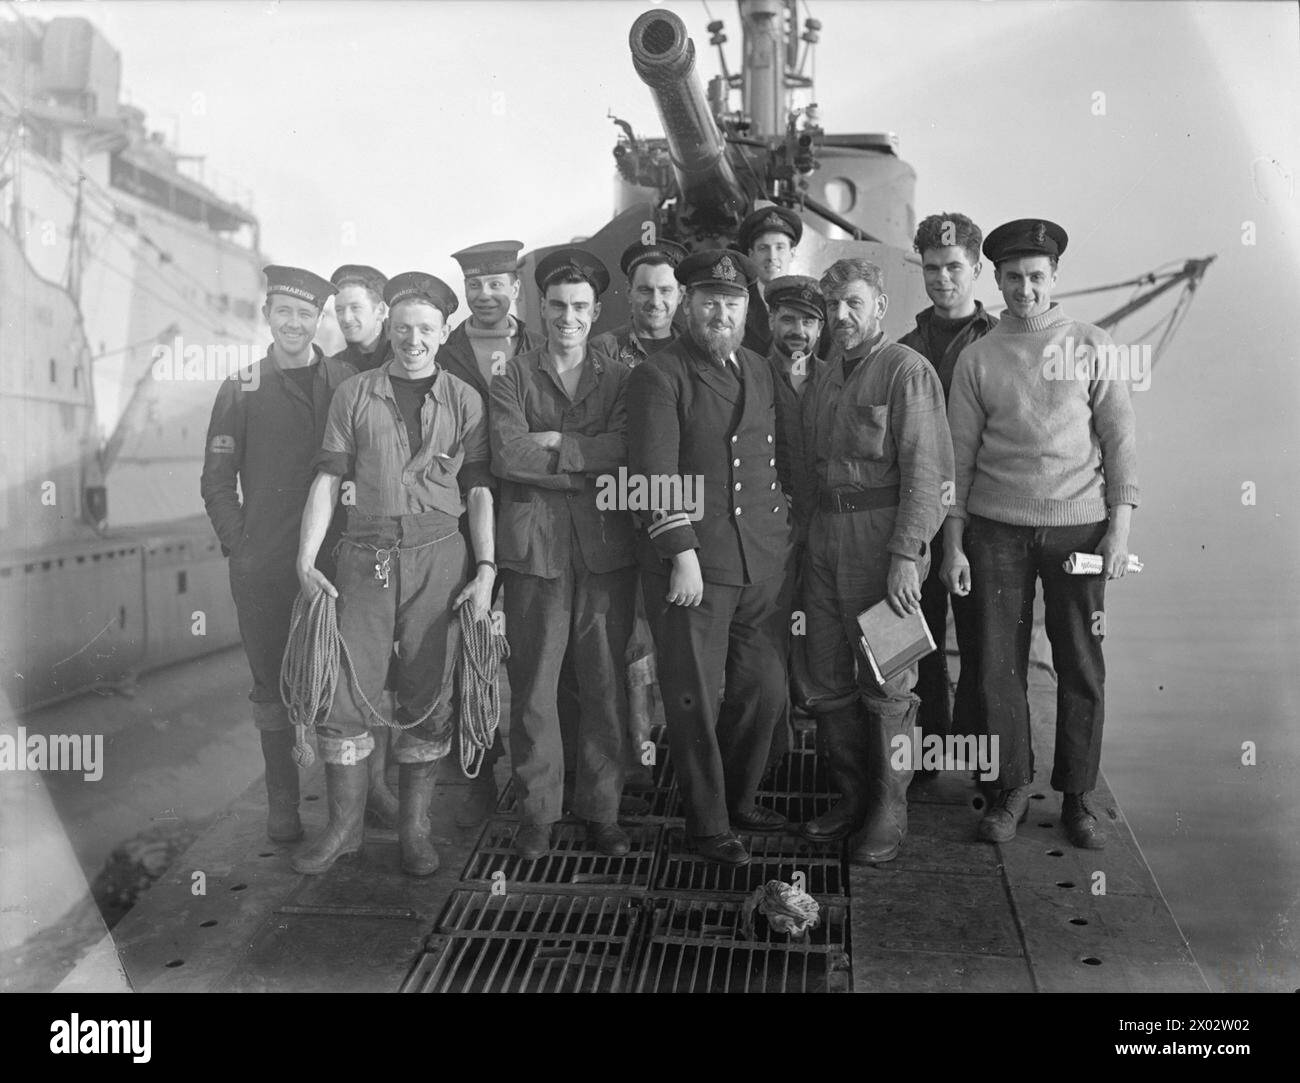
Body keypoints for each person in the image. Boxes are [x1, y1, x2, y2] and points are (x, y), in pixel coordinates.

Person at [941, 219, 1139, 850]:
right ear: (995, 280)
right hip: (995, 534)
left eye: (1035, 277)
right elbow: (958, 461)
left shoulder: (1090, 343)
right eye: (1012, 278)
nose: (1023, 289)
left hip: (1080, 531)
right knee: (997, 665)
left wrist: (1120, 532)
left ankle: (1079, 798)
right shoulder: (977, 357)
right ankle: (1010, 791)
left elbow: (1120, 443)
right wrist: (952, 543)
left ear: (1054, 279)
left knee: (1080, 660)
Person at [292, 272, 496, 877]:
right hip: (365, 556)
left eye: (426, 329)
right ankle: (344, 830)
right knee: (345, 692)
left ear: (442, 334)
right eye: (403, 328)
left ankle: (415, 832)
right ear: (390, 328)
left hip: (440, 556)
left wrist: (485, 568)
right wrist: (305, 560)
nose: (413, 340)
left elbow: (479, 489)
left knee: (428, 694)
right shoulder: (354, 394)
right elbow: (328, 478)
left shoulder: (465, 399)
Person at [627, 249, 792, 867]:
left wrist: (782, 539)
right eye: (708, 301)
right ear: (687, 306)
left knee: (764, 690)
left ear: (748, 309)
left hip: (761, 563)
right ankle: (708, 823)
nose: (720, 312)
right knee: (694, 695)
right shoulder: (660, 374)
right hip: (695, 563)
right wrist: (681, 552)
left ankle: (739, 797)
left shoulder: (758, 366)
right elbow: (651, 475)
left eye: (732, 302)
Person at [796, 258, 953, 864]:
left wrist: (907, 557)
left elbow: (929, 474)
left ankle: (890, 812)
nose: (841, 317)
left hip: (881, 542)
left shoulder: (907, 372)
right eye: (833, 307)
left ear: (880, 306)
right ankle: (854, 798)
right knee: (827, 680)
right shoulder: (830, 374)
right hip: (826, 540)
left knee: (890, 683)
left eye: (854, 303)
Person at [490, 247, 637, 860]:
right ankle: (539, 813)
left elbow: (627, 449)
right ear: (540, 309)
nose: (567, 318)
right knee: (534, 688)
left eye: (580, 307)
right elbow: (508, 456)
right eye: (556, 306)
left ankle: (602, 810)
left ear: (597, 311)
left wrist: (559, 446)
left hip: (604, 551)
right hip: (537, 553)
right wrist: (586, 457)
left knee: (604, 685)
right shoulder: (512, 377)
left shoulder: (622, 377)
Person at [201, 265, 356, 844]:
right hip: (263, 566)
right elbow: (216, 480)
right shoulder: (238, 387)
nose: (295, 324)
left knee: (342, 682)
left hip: (338, 560)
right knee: (271, 688)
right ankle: (284, 804)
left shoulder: (344, 379)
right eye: (284, 312)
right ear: (267, 315)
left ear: (319, 320)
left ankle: (351, 811)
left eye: (306, 314)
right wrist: (240, 546)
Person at [441, 240, 547, 827]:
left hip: (531, 511)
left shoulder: (540, 345)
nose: (485, 295)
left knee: (534, 646)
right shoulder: (445, 350)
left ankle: (542, 781)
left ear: (515, 286)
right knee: (466, 645)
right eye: (474, 286)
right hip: (463, 513)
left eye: (496, 284)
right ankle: (478, 769)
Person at [897, 214, 998, 768]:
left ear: (977, 268)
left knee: (985, 646)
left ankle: (980, 761)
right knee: (920, 638)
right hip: (919, 520)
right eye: (932, 268)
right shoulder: (905, 348)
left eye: (954, 266)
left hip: (985, 517)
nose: (943, 279)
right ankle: (929, 754)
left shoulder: (1002, 344)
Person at [763, 274, 826, 749]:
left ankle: (820, 724)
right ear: (770, 320)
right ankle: (775, 738)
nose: (797, 330)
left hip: (826, 525)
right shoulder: (750, 375)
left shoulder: (834, 379)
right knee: (771, 630)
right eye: (788, 318)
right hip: (770, 528)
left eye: (808, 320)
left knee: (820, 625)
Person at [589, 239, 686, 366]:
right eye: (645, 290)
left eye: (665, 290)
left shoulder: (696, 349)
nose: (655, 302)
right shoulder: (602, 350)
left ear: (680, 294)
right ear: (629, 292)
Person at [736, 204, 802, 355]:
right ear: (751, 254)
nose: (772, 257)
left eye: (780, 248)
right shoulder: (737, 302)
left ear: (792, 254)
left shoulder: (812, 302)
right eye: (763, 248)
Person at [329, 264, 391, 373]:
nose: (346, 318)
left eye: (355, 308)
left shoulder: (406, 357)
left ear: (380, 311)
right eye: (339, 310)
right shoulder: (332, 368)